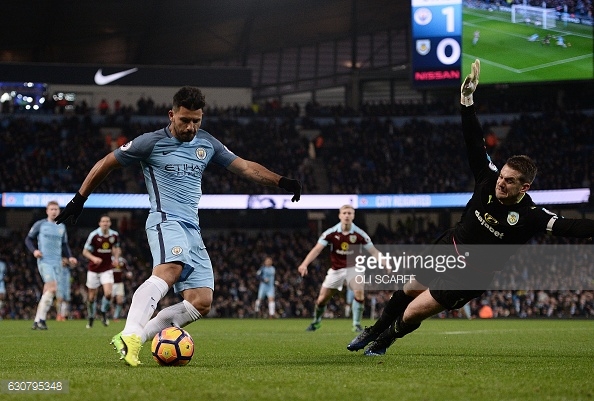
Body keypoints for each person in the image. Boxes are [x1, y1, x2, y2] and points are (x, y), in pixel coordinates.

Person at [347, 59, 594, 356]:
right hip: (448, 247)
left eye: (510, 181)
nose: (501, 183)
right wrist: (467, 100)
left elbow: (569, 226)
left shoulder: (530, 215)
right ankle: (373, 330)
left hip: (470, 275)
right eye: (502, 176)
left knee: (414, 311)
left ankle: (383, 342)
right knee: (407, 290)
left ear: (524, 187)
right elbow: (473, 142)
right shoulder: (488, 179)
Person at [56, 86, 301, 367]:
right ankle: (132, 332)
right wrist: (79, 199)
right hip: (165, 220)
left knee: (201, 301)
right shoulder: (150, 142)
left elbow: (245, 167)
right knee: (169, 270)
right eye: (185, 120)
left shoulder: (207, 143)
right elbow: (106, 163)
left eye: (197, 120)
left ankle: (133, 338)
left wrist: (281, 181)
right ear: (171, 115)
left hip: (192, 229)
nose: (191, 126)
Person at [298, 205, 382, 333]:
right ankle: (316, 322)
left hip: (354, 268)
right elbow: (317, 249)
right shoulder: (331, 232)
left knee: (359, 292)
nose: (347, 215)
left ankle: (356, 324)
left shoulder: (360, 234)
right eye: (345, 213)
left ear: (353, 216)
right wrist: (304, 264)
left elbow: (374, 251)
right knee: (321, 300)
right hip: (336, 270)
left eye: (350, 213)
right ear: (340, 215)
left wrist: (386, 264)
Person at [25, 201, 78, 330]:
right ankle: (42, 319)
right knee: (52, 289)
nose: (54, 211)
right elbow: (28, 239)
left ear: (59, 211)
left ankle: (37, 321)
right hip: (45, 261)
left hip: (58, 262)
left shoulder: (62, 227)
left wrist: (70, 256)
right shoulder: (41, 224)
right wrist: (34, 251)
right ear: (47, 211)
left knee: (48, 291)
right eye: (51, 209)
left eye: (56, 209)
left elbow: (64, 245)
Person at [82, 215, 121, 328]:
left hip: (107, 268)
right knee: (91, 297)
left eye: (107, 221)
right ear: (99, 223)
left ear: (110, 223)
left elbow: (117, 248)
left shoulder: (114, 235)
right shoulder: (94, 235)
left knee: (109, 293)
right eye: (103, 221)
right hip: (93, 269)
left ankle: (103, 312)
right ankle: (91, 316)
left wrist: (116, 258)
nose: (105, 223)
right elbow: (85, 251)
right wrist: (94, 259)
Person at [111, 254, 133, 321]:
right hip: (110, 283)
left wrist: (128, 274)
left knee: (119, 301)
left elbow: (128, 270)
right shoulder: (109, 259)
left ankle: (115, 317)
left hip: (119, 283)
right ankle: (106, 315)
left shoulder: (122, 261)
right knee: (109, 300)